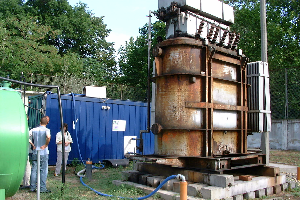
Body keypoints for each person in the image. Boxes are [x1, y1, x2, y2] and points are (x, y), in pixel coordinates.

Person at [29, 116, 51, 193]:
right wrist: (45, 145)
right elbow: (48, 137)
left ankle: (32, 187)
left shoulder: (34, 129)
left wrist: (32, 144)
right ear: (47, 123)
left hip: (35, 151)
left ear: (40, 122)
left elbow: (26, 136)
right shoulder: (47, 130)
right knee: (43, 170)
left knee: (34, 170)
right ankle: (42, 188)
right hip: (43, 152)